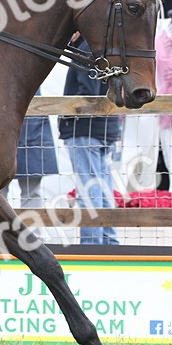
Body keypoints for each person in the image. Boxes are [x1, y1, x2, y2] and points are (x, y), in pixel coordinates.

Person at [58, 39, 120, 245]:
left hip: (85, 129)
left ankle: (92, 245)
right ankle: (109, 242)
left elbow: (87, 93)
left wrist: (66, 112)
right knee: (103, 187)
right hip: (106, 127)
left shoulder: (86, 50)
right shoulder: (108, 47)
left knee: (89, 189)